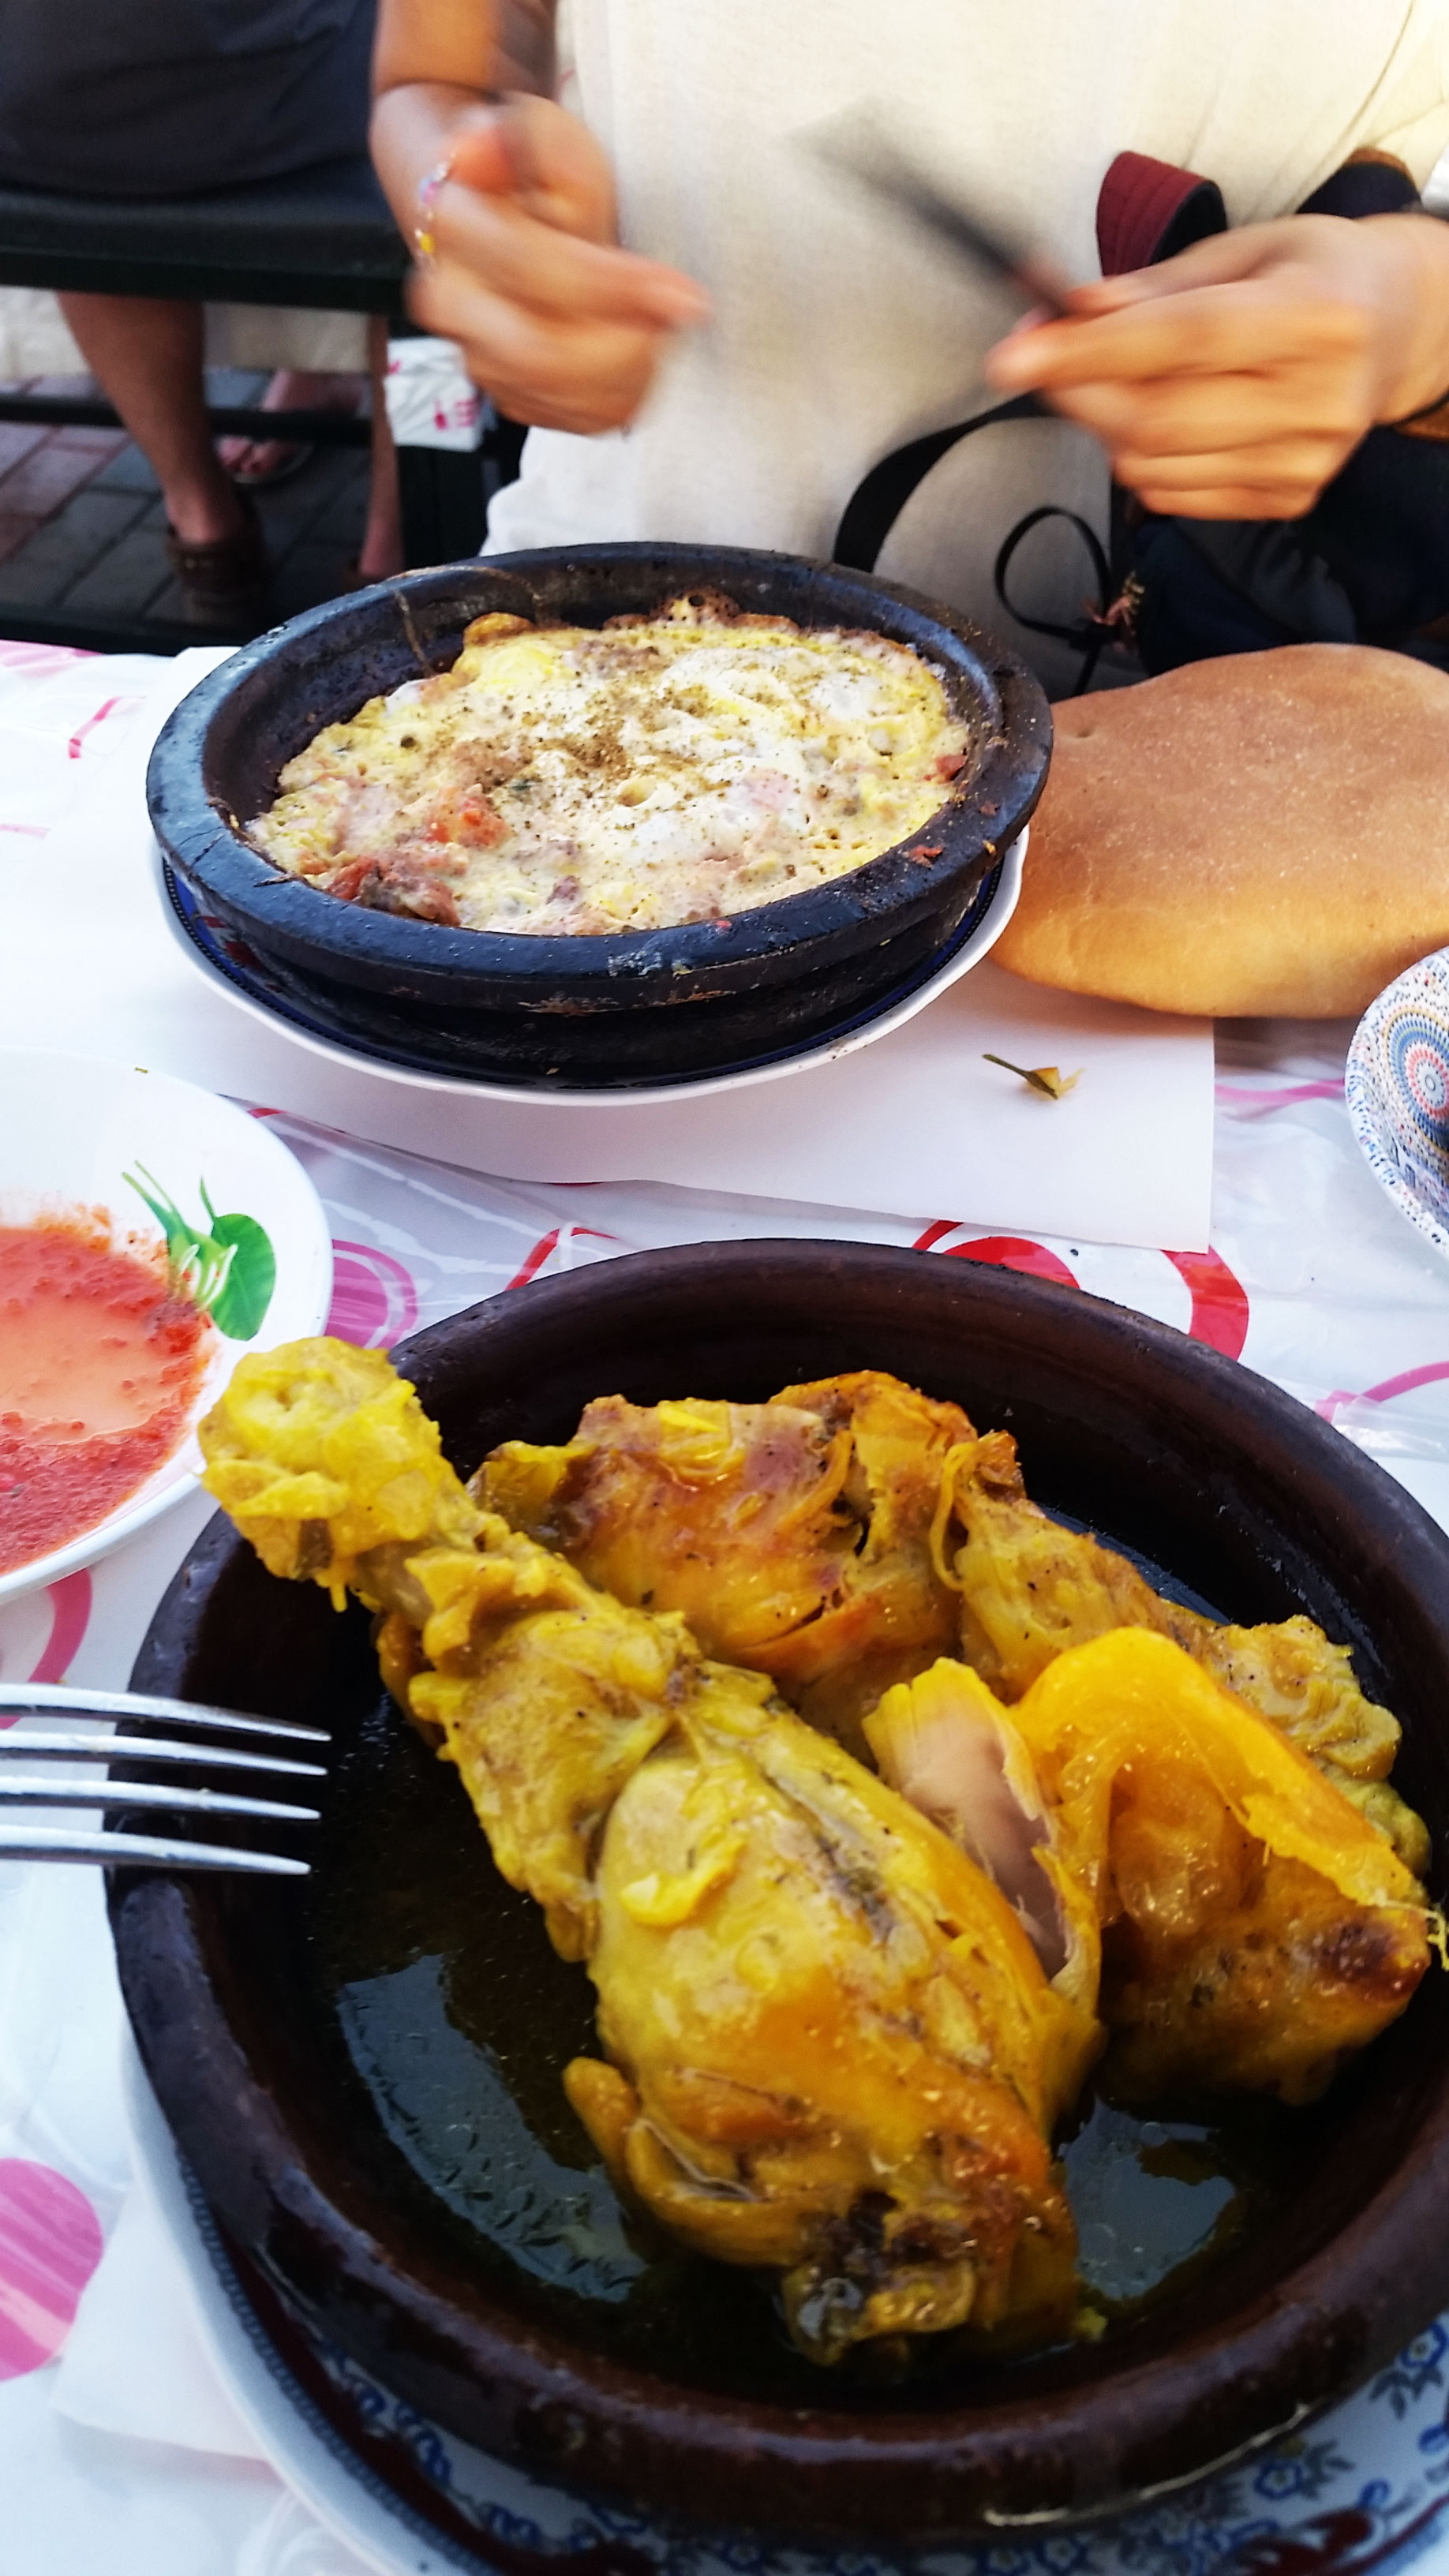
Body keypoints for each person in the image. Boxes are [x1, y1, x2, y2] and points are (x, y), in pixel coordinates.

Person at [369, 0, 1449, 692]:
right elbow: (435, 70)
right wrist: (460, 208)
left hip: (1227, 719)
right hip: (610, 646)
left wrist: (1412, 311)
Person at [0, 0, 402, 607]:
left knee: (73, 85)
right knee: (433, 105)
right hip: (278, 95)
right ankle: (392, 551)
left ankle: (203, 524)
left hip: (40, 123)